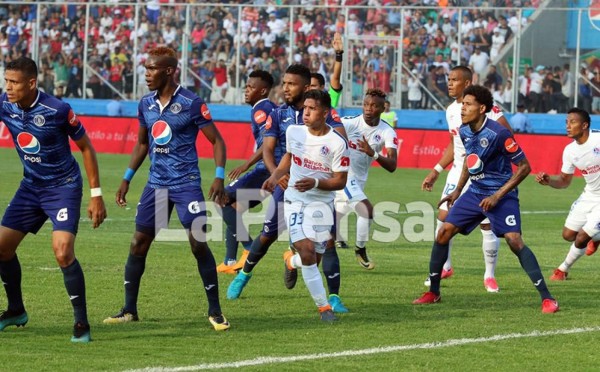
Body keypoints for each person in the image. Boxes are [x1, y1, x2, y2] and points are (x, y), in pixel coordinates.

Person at [103, 47, 230, 331]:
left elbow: (218, 141)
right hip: (156, 185)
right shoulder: (145, 103)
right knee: (138, 244)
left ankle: (215, 311)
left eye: (151, 69)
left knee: (198, 244)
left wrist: (219, 176)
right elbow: (142, 144)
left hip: (185, 184)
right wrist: (126, 178)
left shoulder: (191, 103)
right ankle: (129, 310)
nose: (146, 74)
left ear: (169, 71)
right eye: (146, 69)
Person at [413, 85, 559, 314]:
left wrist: (497, 195)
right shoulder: (464, 131)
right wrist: (457, 191)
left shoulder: (499, 133)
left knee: (514, 240)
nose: (463, 108)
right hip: (476, 192)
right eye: (463, 104)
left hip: (502, 194)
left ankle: (547, 298)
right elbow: (468, 163)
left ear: (482, 109)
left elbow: (524, 168)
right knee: (443, 232)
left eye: (468, 104)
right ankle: (433, 292)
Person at [226, 64, 349, 314]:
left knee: (327, 242)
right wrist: (276, 176)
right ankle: (244, 274)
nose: (285, 88)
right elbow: (268, 149)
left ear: (306, 88)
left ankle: (333, 296)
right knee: (268, 234)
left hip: (317, 186)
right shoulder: (279, 114)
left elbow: (339, 137)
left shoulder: (323, 112)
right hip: (286, 181)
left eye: (291, 84)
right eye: (284, 83)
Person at [0, 57, 107, 342]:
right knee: (2, 248)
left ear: (32, 83)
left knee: (62, 252)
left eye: (14, 82)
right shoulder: (4, 103)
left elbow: (85, 147)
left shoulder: (57, 110)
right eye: (6, 81)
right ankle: (15, 310)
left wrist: (96, 195)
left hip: (63, 187)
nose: (8, 87)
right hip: (31, 187)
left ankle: (81, 324)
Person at [421, 66, 511, 293]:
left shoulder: (487, 107)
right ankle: (446, 266)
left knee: (486, 223)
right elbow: (454, 144)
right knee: (443, 216)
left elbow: (507, 134)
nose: (449, 84)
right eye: (448, 80)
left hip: (484, 172)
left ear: (468, 83)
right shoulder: (451, 110)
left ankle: (489, 275)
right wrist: (436, 170)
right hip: (460, 169)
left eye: (454, 80)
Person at [264, 89, 349, 322]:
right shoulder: (294, 131)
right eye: (305, 108)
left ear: (325, 112)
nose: (306, 113)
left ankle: (290, 261)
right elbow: (288, 158)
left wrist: (315, 182)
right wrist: (275, 177)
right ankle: (324, 309)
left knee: (314, 257)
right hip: (294, 199)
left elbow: (340, 181)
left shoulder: (337, 143)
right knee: (308, 250)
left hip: (322, 203)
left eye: (312, 109)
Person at [329, 89, 398, 270]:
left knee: (336, 213)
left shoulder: (387, 131)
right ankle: (360, 249)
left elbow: (392, 165)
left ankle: (307, 243)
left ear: (383, 108)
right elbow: (329, 131)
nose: (368, 109)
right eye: (366, 104)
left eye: (374, 106)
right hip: (343, 175)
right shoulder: (351, 123)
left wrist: (373, 153)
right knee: (366, 210)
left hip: (359, 179)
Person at [217, 70, 277, 274]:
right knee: (234, 208)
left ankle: (249, 249)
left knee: (221, 197)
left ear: (263, 91)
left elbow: (269, 142)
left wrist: (246, 165)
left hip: (265, 169)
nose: (246, 90)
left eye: (251, 87)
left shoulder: (262, 109)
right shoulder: (267, 108)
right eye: (246, 86)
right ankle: (229, 261)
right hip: (272, 170)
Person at [535, 108, 600, 280]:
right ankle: (597, 236)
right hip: (590, 195)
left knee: (581, 238)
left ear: (585, 125)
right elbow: (564, 181)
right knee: (568, 235)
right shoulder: (570, 151)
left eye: (573, 122)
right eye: (566, 122)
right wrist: (549, 181)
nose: (568, 126)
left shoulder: (598, 139)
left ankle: (562, 270)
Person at [309, 32, 344, 108]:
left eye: (314, 86)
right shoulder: (304, 103)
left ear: (322, 87)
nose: (311, 88)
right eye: (310, 86)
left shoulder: (329, 100)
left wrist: (338, 54)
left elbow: (336, 78)